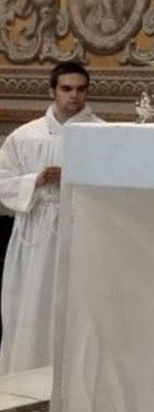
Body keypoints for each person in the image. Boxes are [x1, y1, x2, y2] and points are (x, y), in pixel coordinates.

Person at [0, 60, 100, 374]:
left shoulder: (101, 134)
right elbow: (3, 181)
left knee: (74, 304)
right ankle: (24, 374)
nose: (74, 96)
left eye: (81, 90)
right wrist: (36, 180)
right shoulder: (25, 136)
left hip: (80, 228)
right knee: (32, 301)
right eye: (67, 89)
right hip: (35, 232)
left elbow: (113, 185)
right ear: (52, 90)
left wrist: (71, 175)